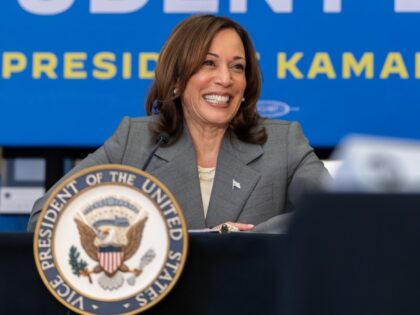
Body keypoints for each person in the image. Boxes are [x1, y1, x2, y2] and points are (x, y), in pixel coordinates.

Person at [27, 15, 329, 233]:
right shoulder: (134, 142)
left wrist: (243, 239)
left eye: (238, 67)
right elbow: (46, 216)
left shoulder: (283, 144)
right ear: (175, 80)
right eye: (208, 63)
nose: (225, 79)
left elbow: (335, 214)